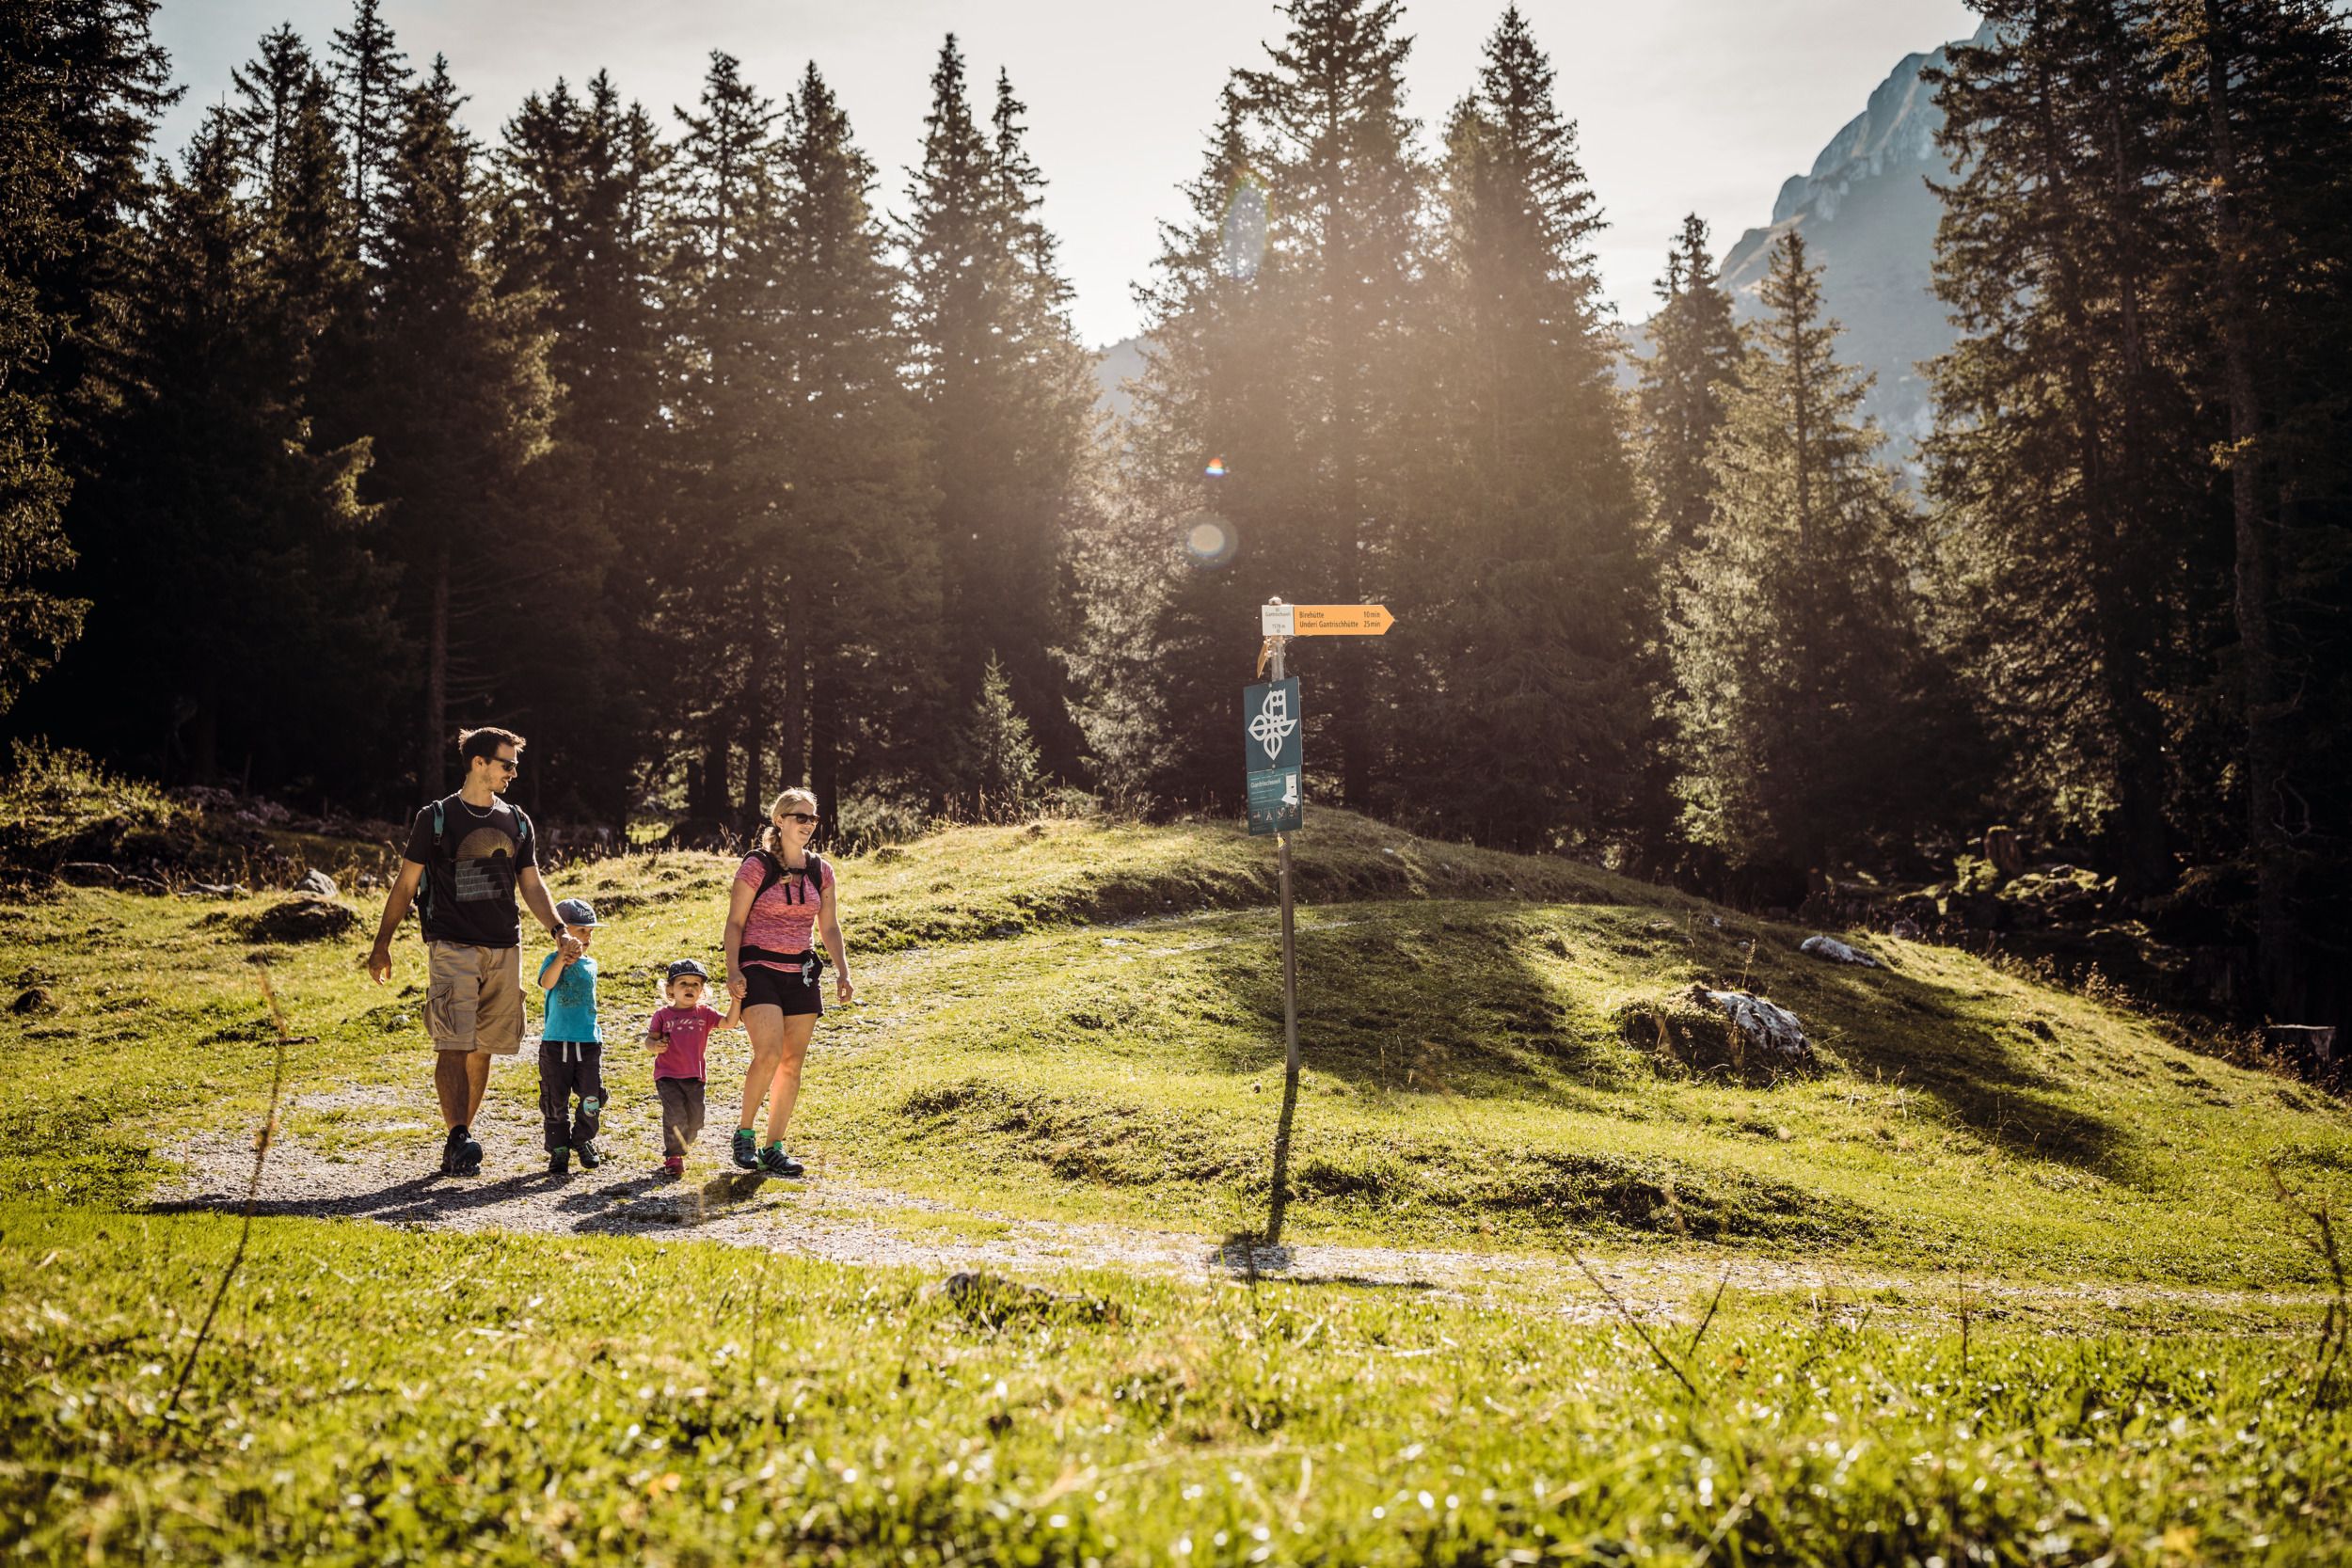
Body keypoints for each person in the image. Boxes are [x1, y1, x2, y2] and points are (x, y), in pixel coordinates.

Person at [366, 726, 580, 1177]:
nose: (513, 773)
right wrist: (381, 944)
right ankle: (458, 1135)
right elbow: (406, 884)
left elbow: (531, 883)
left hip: (506, 946)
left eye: (516, 765)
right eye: (507, 764)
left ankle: (461, 1137)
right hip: (451, 944)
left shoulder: (518, 821)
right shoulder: (437, 817)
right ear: (478, 763)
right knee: (453, 1042)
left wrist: (558, 929)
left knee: (483, 1048)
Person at [723, 786, 853, 1177]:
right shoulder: (756, 866)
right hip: (758, 967)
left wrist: (843, 971)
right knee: (768, 1052)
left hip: (801, 971)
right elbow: (734, 923)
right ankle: (744, 1134)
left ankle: (773, 1147)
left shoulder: (821, 870)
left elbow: (828, 927)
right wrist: (733, 969)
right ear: (779, 820)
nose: (808, 825)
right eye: (800, 817)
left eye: (813, 818)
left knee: (792, 1062)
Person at [644, 958, 743, 1178]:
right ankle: (673, 1157)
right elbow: (649, 1040)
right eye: (683, 984)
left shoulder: (704, 1013)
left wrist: (736, 1001)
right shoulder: (663, 1015)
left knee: (696, 1119)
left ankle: (681, 1143)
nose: (689, 988)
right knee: (675, 1115)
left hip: (695, 1076)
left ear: (702, 990)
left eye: (695, 984)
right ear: (670, 990)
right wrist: (655, 1046)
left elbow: (729, 1023)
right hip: (667, 1075)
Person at [537, 897, 607, 1177]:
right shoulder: (552, 961)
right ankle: (559, 1149)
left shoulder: (591, 965)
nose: (587, 938)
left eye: (590, 932)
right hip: (556, 1043)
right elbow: (546, 983)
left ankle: (582, 1139)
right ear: (563, 932)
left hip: (588, 1043)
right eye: (581, 931)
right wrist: (561, 958)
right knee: (556, 1099)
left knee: (592, 1097)